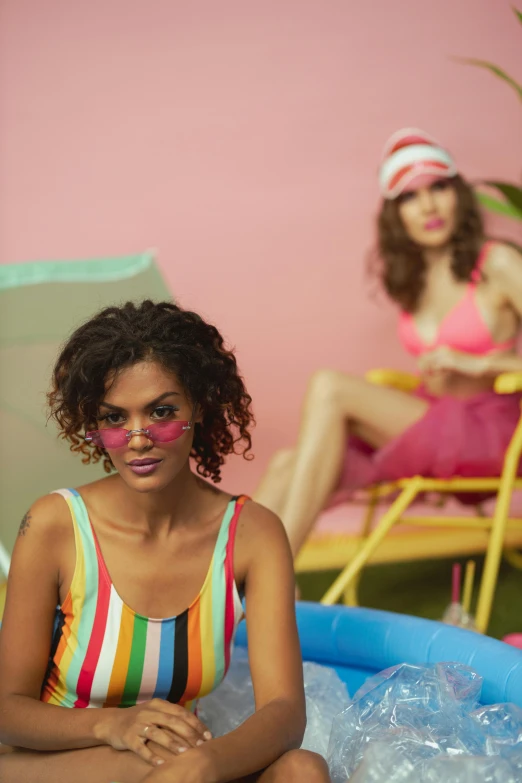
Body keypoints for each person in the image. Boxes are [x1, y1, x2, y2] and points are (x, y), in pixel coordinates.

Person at [0, 300, 331, 783]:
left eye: (161, 412)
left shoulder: (252, 535)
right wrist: (113, 724)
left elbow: (284, 712)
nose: (137, 439)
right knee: (142, 762)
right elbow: (7, 711)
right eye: (114, 418)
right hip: (44, 766)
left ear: (198, 406)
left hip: (174, 769)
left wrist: (208, 762)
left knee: (303, 769)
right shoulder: (55, 525)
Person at [255, 128, 522, 557]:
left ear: (459, 194)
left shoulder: (498, 262)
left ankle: (274, 571)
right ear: (395, 214)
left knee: (329, 386)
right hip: (430, 419)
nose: (429, 206)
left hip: (489, 434)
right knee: (286, 463)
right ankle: (224, 581)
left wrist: (479, 365)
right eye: (410, 197)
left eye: (438, 187)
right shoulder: (412, 278)